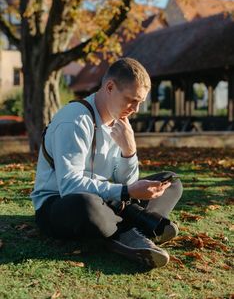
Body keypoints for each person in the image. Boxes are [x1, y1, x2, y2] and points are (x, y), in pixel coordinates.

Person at [31, 58, 183, 268]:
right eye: (132, 100)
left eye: (140, 102)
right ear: (109, 87)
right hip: (59, 204)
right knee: (85, 205)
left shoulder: (119, 122)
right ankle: (129, 233)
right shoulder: (75, 120)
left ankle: (126, 225)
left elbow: (125, 181)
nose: (136, 109)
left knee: (171, 182)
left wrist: (129, 151)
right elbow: (69, 186)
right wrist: (125, 192)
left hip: (108, 202)